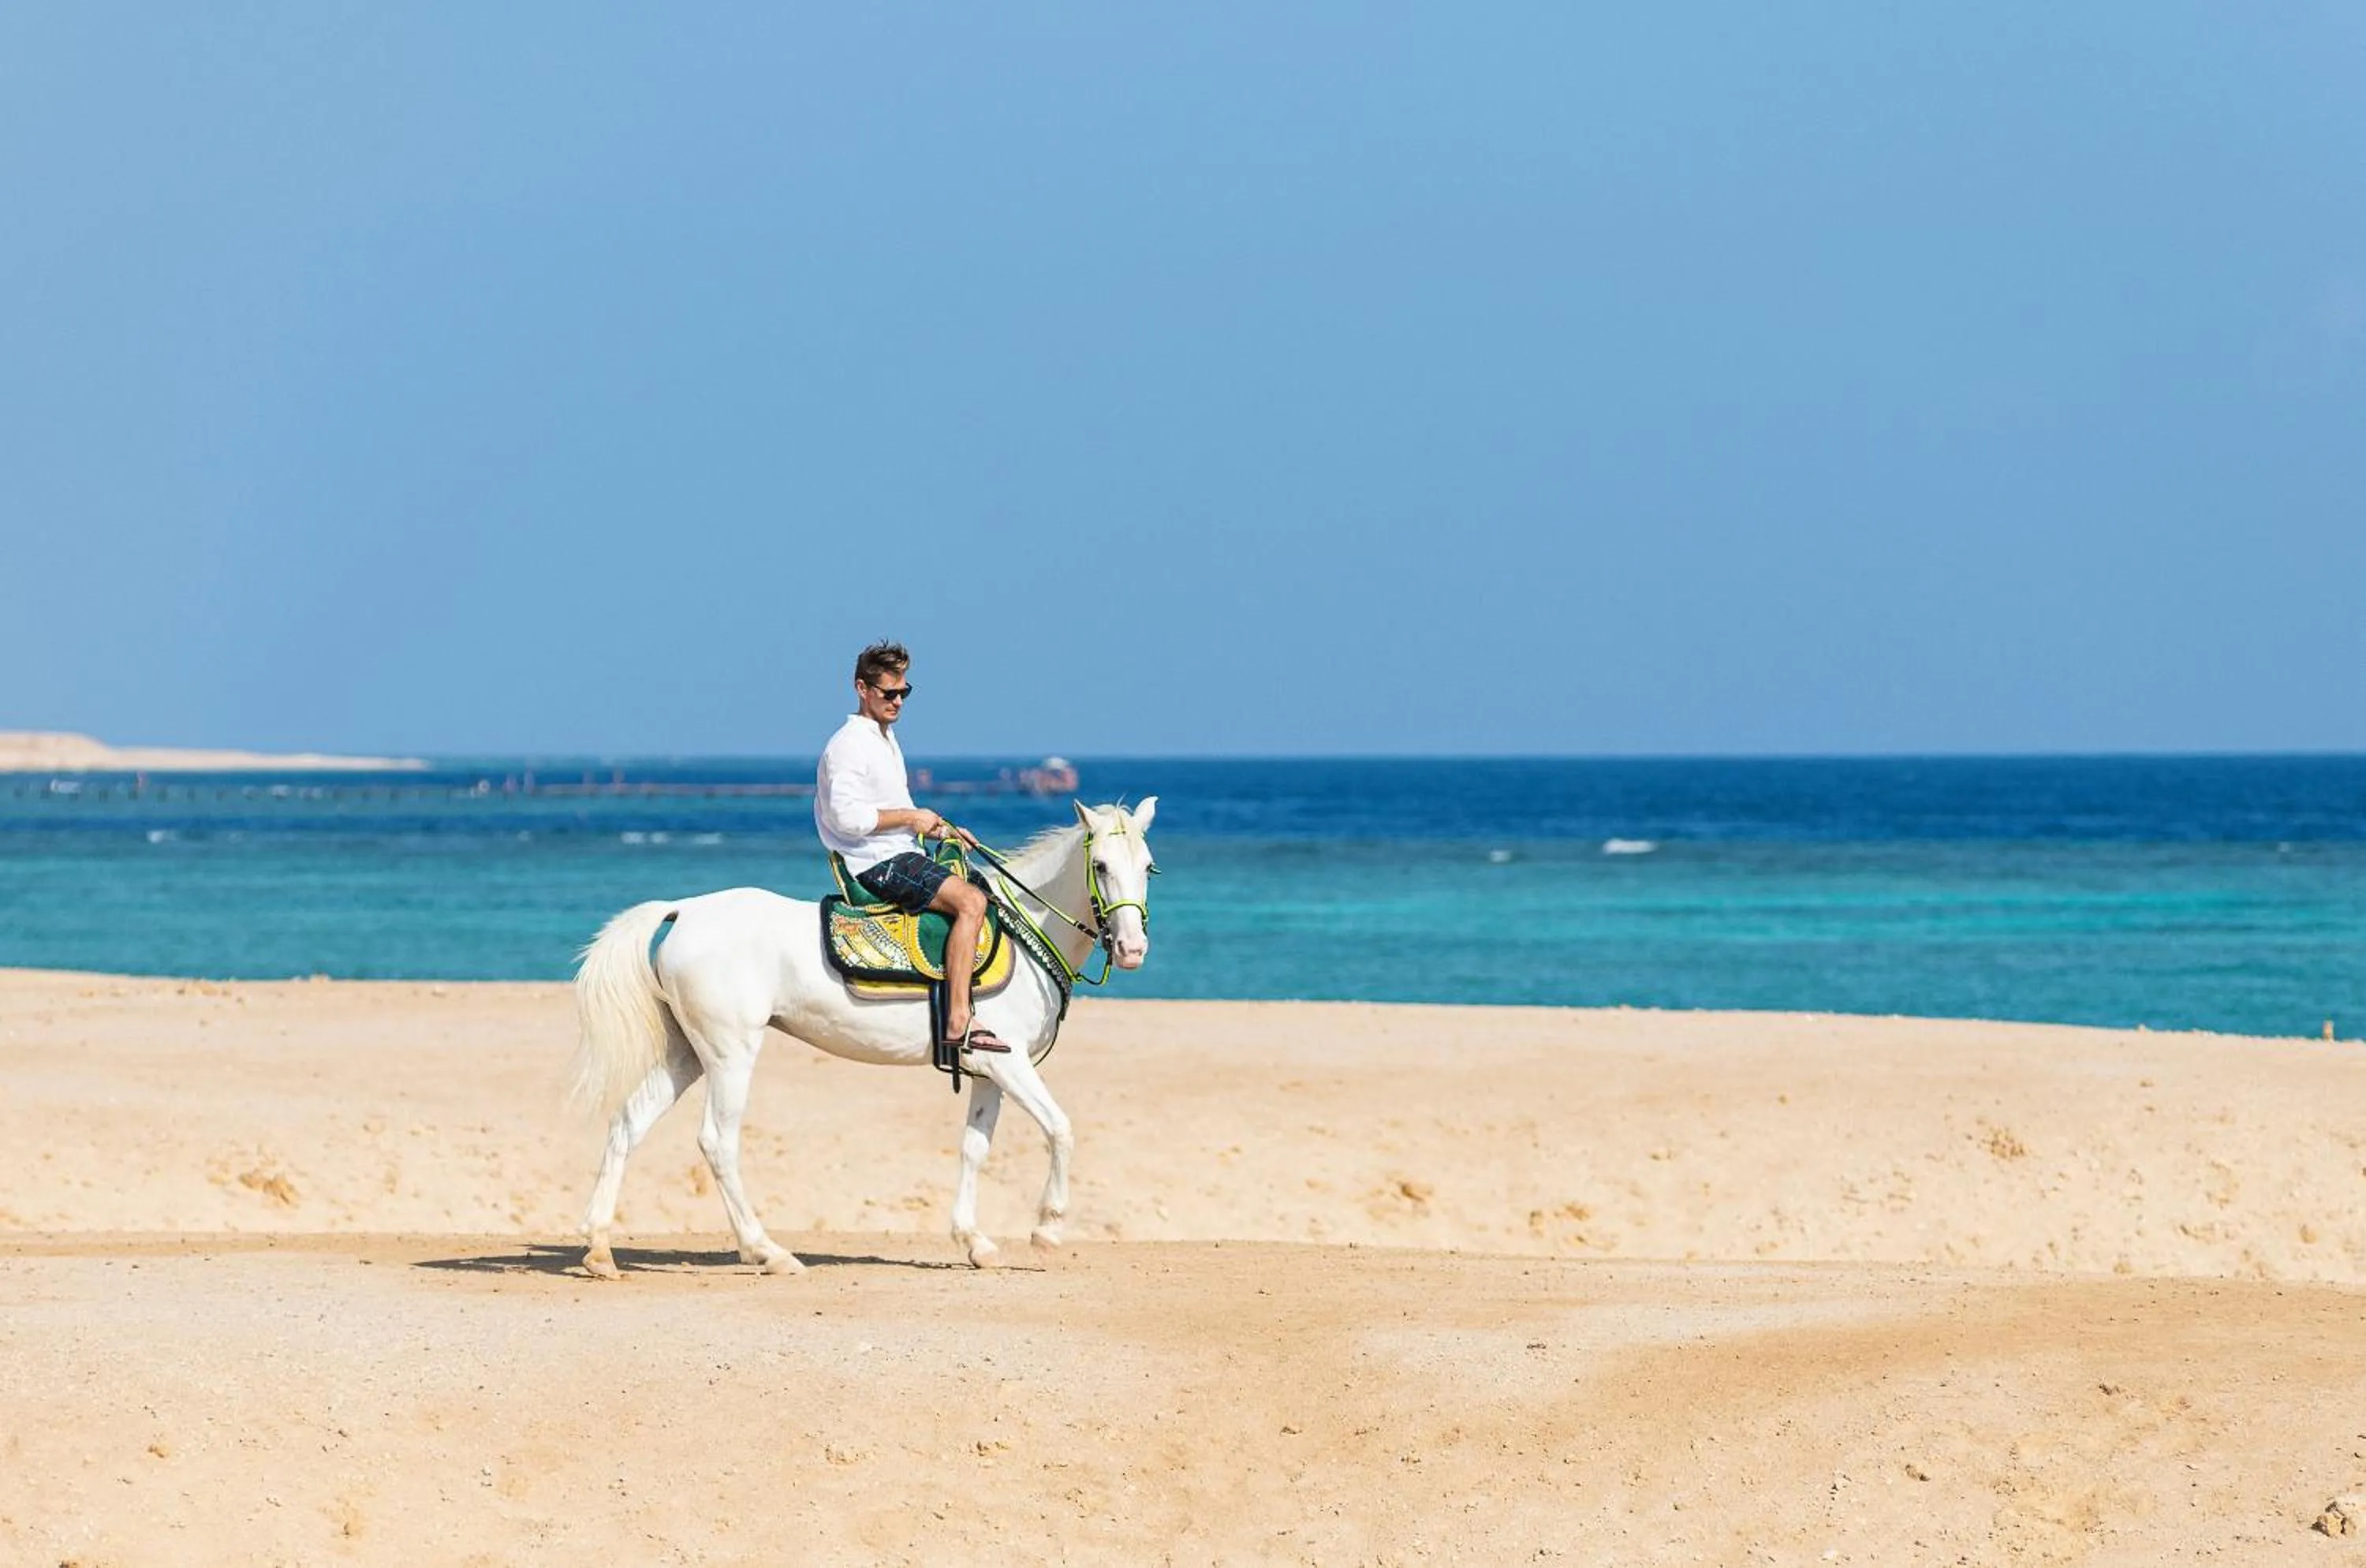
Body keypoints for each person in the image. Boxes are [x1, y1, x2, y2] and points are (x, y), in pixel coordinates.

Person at [814, 641, 1008, 1055]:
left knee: (984, 887)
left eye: (904, 692)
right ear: (861, 688)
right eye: (889, 693)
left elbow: (896, 811)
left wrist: (941, 830)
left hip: (901, 851)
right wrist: (910, 817)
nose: (898, 701)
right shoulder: (848, 745)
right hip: (876, 863)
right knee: (971, 903)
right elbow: (847, 818)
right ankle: (959, 1020)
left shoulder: (886, 739)